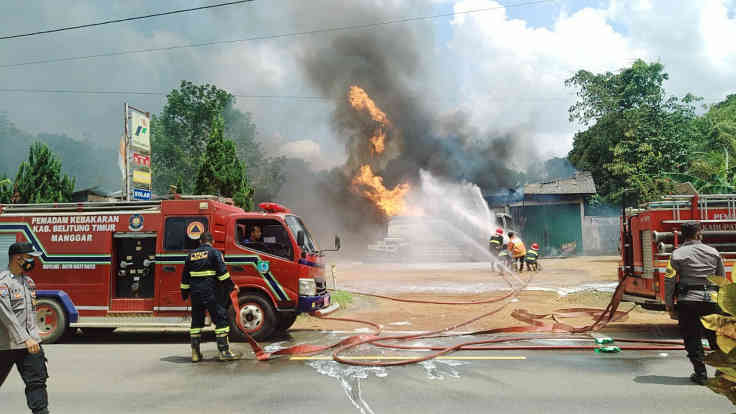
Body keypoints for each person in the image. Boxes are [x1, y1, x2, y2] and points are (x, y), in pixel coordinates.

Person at [664, 221, 724, 385]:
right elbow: (721, 279)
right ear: (698, 233)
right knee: (717, 338)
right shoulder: (713, 252)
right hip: (712, 300)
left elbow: (669, 279)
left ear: (683, 235)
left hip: (688, 301)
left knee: (692, 338)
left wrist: (669, 303)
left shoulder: (677, 254)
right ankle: (723, 372)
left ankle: (701, 374)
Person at [0, 242, 50, 414]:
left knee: (37, 383)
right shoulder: (3, 283)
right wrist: (25, 338)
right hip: (6, 345)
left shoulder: (28, 282)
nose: (32, 261)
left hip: (30, 345)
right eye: (30, 258)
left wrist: (34, 334)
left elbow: (30, 312)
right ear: (18, 258)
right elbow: (7, 316)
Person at [181, 232, 240, 362]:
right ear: (211, 241)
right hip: (211, 292)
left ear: (200, 242)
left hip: (195, 294)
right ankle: (224, 352)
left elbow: (185, 277)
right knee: (220, 319)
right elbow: (222, 273)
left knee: (196, 323)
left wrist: (184, 293)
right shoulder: (215, 253)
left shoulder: (190, 255)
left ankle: (195, 354)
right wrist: (231, 286)